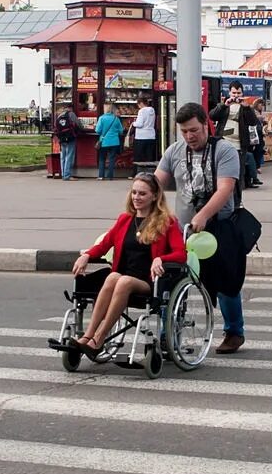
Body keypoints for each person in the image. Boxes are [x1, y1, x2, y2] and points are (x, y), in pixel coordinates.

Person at [156, 102, 246, 354]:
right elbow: (157, 181)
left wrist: (204, 215)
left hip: (219, 226)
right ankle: (168, 334)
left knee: (226, 281)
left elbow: (225, 187)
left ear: (205, 124)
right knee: (173, 281)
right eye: (184, 131)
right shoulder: (174, 151)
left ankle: (234, 332)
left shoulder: (224, 150)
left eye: (194, 130)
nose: (189, 136)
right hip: (184, 231)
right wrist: (142, 196)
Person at [68, 173, 186, 357]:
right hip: (122, 277)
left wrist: (161, 259)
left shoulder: (167, 222)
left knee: (123, 281)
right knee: (113, 277)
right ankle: (88, 336)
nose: (136, 198)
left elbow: (181, 253)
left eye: (142, 194)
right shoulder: (125, 220)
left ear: (154, 196)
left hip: (149, 281)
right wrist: (87, 255)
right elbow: (104, 245)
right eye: (134, 193)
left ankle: (99, 338)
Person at [209, 81, 259, 190]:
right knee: (220, 170)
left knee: (238, 172)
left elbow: (253, 121)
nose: (236, 96)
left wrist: (246, 108)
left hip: (239, 144)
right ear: (229, 92)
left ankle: (237, 200)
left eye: (238, 93)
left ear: (242, 93)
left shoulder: (245, 107)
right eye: (234, 93)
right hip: (223, 142)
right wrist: (224, 105)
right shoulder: (224, 105)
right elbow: (212, 116)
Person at [94, 103, 124, 181]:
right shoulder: (116, 118)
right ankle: (110, 176)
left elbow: (97, 130)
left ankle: (101, 176)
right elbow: (121, 131)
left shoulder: (102, 118)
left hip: (104, 142)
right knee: (112, 159)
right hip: (114, 142)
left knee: (102, 159)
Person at [55, 104, 83, 181]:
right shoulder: (71, 114)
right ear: (71, 108)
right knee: (69, 156)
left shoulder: (59, 115)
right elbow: (79, 125)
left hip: (62, 138)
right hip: (70, 137)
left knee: (63, 156)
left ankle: (64, 174)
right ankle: (67, 175)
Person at [131, 96, 158, 162]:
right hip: (151, 136)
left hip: (141, 137)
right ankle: (149, 171)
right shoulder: (152, 110)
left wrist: (133, 123)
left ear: (141, 103)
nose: (138, 106)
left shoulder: (142, 111)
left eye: (138, 104)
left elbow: (140, 124)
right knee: (149, 157)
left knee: (139, 158)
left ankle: (139, 171)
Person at [252, 99, 269, 174]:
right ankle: (256, 166)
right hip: (255, 134)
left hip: (260, 134)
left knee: (259, 150)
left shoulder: (260, 113)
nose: (262, 107)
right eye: (261, 105)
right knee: (257, 151)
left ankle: (257, 166)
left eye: (263, 105)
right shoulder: (253, 112)